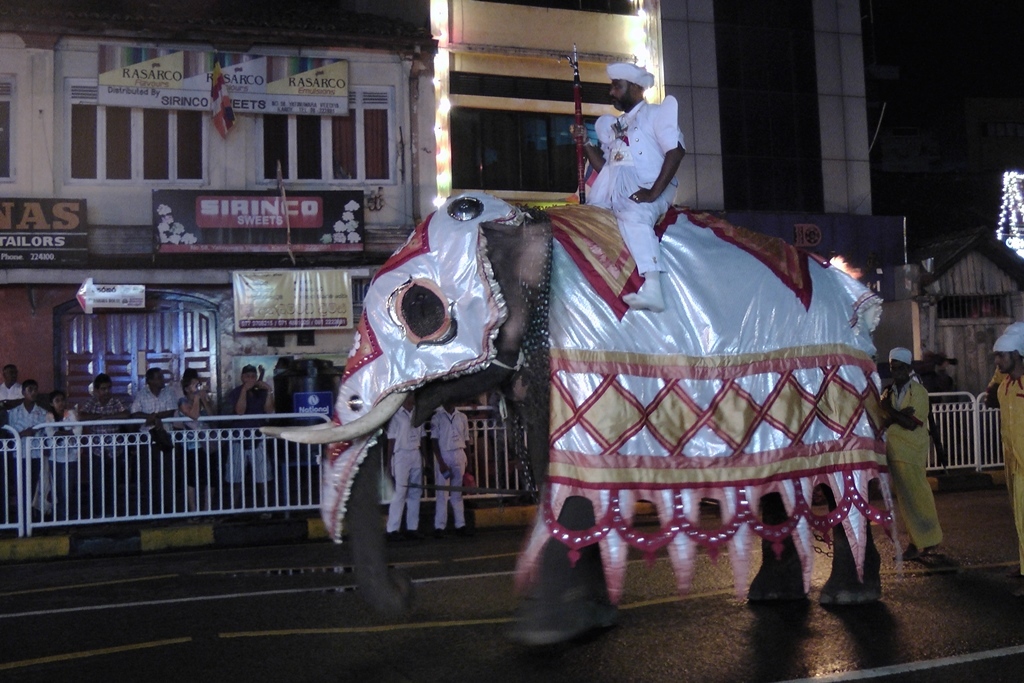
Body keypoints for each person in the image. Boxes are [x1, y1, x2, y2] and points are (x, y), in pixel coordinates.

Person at [577, 62, 686, 312]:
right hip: (615, 188)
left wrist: (653, 192)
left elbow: (676, 151)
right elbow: (606, 168)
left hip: (650, 186)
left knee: (633, 213)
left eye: (617, 86)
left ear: (636, 88)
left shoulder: (656, 114)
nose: (612, 92)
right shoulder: (615, 126)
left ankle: (653, 287)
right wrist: (585, 143)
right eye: (612, 87)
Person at [880, 347, 942, 560]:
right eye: (893, 368)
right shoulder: (888, 392)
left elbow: (910, 424)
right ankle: (920, 541)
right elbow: (884, 420)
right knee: (907, 502)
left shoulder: (919, 392)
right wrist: (896, 415)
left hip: (912, 452)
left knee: (919, 498)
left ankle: (926, 540)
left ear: (908, 369)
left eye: (900, 368)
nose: (896, 372)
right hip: (894, 452)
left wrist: (891, 412)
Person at [993, 322, 1024, 591]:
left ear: (1017, 355)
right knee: (1020, 518)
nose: (997, 361)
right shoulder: (1005, 387)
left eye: (1001, 355)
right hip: (1014, 463)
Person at [78, 373, 131, 516]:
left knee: (113, 483)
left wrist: (108, 417)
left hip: (115, 450)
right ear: (96, 390)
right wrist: (98, 417)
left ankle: (112, 512)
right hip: (97, 451)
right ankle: (98, 513)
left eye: (108, 388)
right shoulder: (92, 402)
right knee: (98, 483)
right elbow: (81, 416)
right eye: (103, 389)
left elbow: (126, 414)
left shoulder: (115, 402)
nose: (106, 392)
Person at [224, 365, 275, 509]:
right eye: (247, 376)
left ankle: (266, 507)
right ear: (242, 377)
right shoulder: (235, 392)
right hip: (238, 438)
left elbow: (269, 410)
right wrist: (244, 390)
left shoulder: (262, 392)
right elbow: (240, 411)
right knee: (235, 476)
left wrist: (269, 390)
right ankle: (233, 508)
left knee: (263, 476)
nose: (251, 379)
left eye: (253, 376)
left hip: (259, 438)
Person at [130, 368, 179, 513]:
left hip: (165, 436)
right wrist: (149, 417)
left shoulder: (168, 392)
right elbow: (134, 413)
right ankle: (151, 508)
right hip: (147, 439)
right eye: (158, 377)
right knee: (149, 474)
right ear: (150, 380)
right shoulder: (141, 394)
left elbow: (171, 410)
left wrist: (155, 417)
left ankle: (168, 507)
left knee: (167, 473)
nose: (162, 380)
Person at [385, 394, 427, 541]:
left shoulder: (417, 414)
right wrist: (389, 463)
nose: (411, 399)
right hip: (401, 454)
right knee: (400, 492)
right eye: (408, 396)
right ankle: (392, 529)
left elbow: (422, 436)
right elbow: (391, 440)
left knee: (415, 492)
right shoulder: (396, 416)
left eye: (412, 396)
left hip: (415, 452)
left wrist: (424, 459)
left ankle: (412, 527)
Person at [6, 380, 51, 517]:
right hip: (19, 455)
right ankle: (21, 514)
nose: (33, 392)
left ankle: (31, 513)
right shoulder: (13, 413)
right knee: (20, 484)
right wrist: (22, 434)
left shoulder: (43, 413)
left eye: (35, 389)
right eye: (30, 389)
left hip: (36, 454)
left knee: (34, 485)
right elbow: (9, 434)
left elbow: (46, 434)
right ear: (23, 392)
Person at [430, 399, 472, 538]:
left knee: (457, 493)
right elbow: (434, 440)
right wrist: (441, 462)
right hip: (445, 454)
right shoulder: (437, 417)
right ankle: (440, 526)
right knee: (442, 493)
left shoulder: (462, 417)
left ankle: (460, 524)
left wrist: (469, 461)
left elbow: (466, 439)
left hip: (459, 453)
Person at [176, 374, 216, 513]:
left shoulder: (203, 398)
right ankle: (193, 510)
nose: (198, 387)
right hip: (193, 445)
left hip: (208, 443)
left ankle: (208, 509)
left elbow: (211, 417)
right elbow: (194, 415)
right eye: (195, 385)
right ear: (187, 388)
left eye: (199, 384)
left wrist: (204, 400)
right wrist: (198, 399)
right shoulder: (183, 401)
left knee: (210, 476)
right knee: (193, 477)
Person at [44, 389, 82, 521]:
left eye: (62, 400)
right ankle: (60, 516)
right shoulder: (49, 416)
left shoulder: (71, 413)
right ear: (51, 403)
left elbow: (78, 431)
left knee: (68, 488)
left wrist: (60, 433)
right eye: (57, 401)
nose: (61, 403)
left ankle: (69, 516)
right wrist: (68, 432)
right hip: (55, 458)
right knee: (58, 489)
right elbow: (50, 434)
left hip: (71, 457)